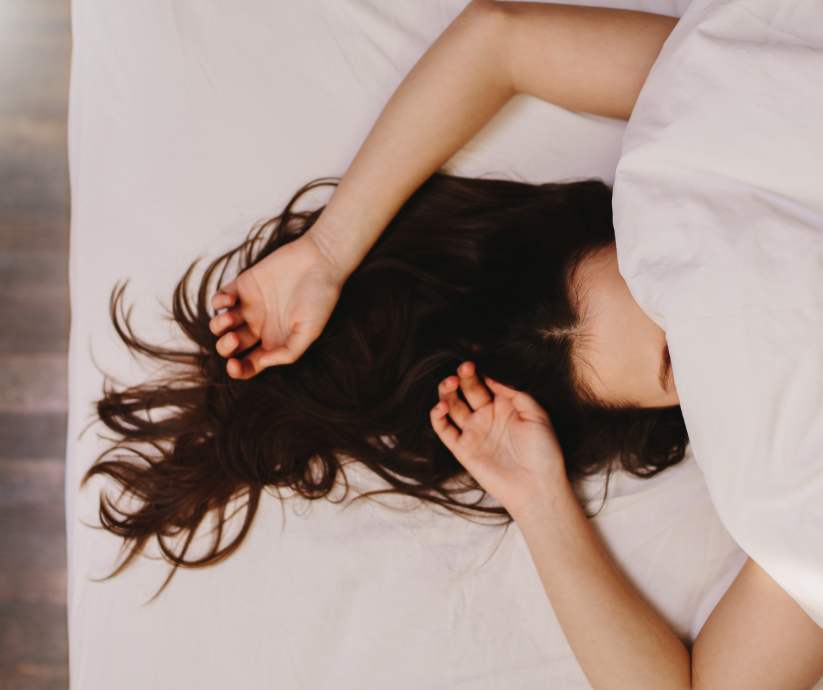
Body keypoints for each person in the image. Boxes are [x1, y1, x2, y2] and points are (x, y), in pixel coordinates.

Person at [91, 2, 823, 687]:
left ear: (628, 212)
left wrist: (330, 251)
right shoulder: (783, 475)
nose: (708, 313)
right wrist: (540, 501)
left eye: (664, 277)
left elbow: (497, 38)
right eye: (677, 358)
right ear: (672, 410)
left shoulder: (701, 123)